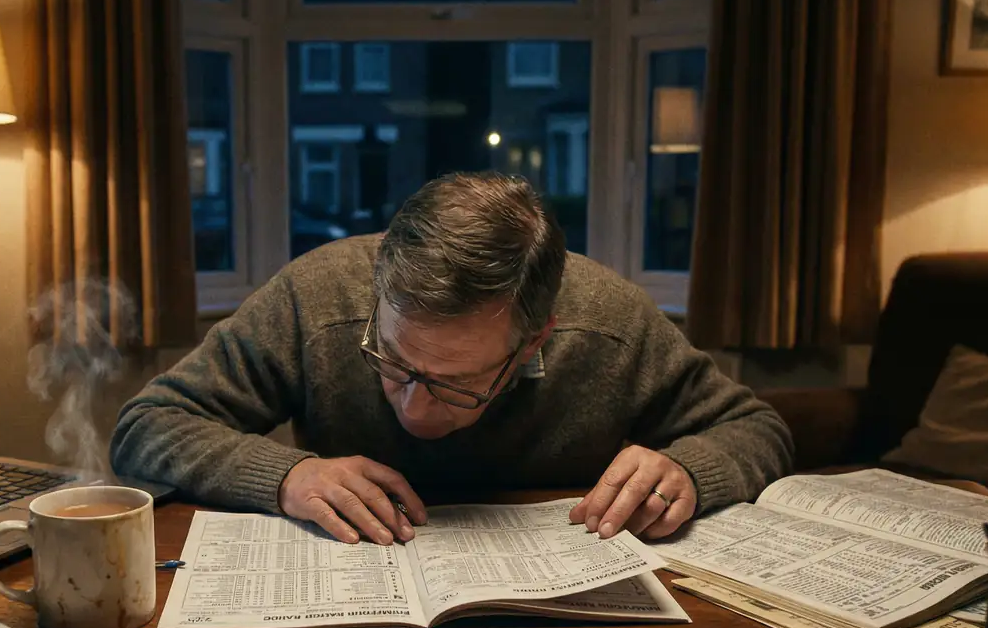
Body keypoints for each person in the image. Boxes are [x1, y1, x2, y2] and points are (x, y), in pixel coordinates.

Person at [111, 172, 791, 545]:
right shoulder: (318, 295)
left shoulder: (611, 321)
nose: (413, 406)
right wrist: (287, 476)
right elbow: (146, 426)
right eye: (394, 360)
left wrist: (690, 471)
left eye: (457, 382)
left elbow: (759, 430)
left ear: (537, 337)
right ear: (378, 295)